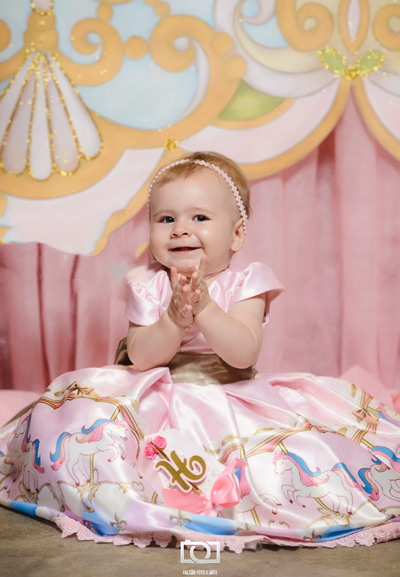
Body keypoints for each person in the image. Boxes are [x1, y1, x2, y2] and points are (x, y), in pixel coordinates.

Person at [1, 151, 400, 552]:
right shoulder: (146, 282)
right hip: (159, 393)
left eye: (199, 218)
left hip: (229, 394)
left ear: (237, 235)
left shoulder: (246, 283)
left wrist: (205, 307)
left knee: (279, 459)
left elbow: (243, 353)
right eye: (166, 219)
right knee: (87, 417)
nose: (180, 230)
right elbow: (141, 356)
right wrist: (174, 319)